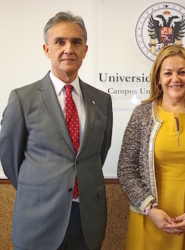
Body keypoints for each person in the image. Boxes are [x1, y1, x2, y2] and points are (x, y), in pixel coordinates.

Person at [0, 11, 113, 250]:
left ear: (85, 50)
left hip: (87, 221)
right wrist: (40, 189)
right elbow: (10, 159)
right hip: (38, 220)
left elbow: (96, 156)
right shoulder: (23, 98)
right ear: (46, 50)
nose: (69, 48)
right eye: (60, 41)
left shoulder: (102, 101)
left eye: (76, 42)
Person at [118, 44, 185, 249]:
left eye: (182, 72)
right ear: (158, 79)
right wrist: (149, 208)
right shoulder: (142, 114)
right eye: (168, 73)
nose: (175, 79)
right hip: (148, 218)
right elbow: (126, 169)